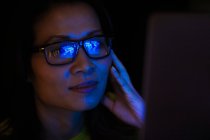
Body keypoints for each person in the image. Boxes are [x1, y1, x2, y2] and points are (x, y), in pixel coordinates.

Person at [11, 0, 145, 139]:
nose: (85, 66)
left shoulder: (135, 116)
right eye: (61, 50)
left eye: (94, 44)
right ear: (26, 66)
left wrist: (146, 121)